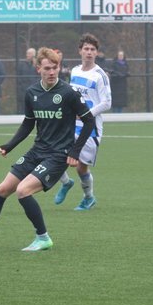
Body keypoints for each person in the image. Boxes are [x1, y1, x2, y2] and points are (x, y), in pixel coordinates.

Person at [0, 47, 95, 252]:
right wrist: (9, 145)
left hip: (58, 155)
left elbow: (89, 122)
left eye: (55, 67)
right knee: (2, 189)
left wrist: (74, 151)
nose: (52, 72)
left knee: (23, 191)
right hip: (37, 151)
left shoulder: (69, 93)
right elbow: (28, 123)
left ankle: (43, 238)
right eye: (47, 68)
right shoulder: (32, 93)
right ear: (38, 69)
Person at [53, 33, 111, 211]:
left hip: (90, 128)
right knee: (53, 152)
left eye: (93, 49)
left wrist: (86, 114)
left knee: (80, 168)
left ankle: (88, 198)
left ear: (97, 53)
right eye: (86, 49)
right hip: (71, 124)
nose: (89, 52)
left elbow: (107, 103)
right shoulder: (75, 71)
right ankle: (66, 182)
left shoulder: (100, 76)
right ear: (80, 51)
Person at [16, 47, 37, 113]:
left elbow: (39, 76)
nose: (27, 55)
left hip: (34, 89)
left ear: (33, 54)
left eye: (29, 53)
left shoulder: (37, 65)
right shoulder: (22, 64)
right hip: (24, 89)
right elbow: (18, 76)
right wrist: (21, 85)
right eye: (27, 53)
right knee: (23, 106)